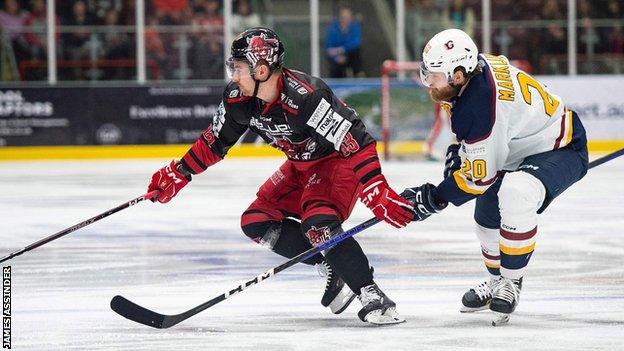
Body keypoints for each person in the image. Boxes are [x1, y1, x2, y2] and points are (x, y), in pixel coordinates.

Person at [146, 27, 414, 325]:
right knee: (256, 221)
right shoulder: (238, 99)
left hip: (336, 163)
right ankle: (331, 263)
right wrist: (179, 172)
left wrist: (376, 188)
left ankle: (372, 294)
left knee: (319, 224)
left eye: (239, 68)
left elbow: (356, 141)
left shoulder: (306, 97)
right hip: (299, 165)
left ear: (261, 69)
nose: (234, 76)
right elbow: (215, 141)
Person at [403, 29, 588, 325]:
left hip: (560, 146)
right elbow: (479, 141)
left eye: (434, 75)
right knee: (486, 216)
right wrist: (460, 152)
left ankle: (511, 282)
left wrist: (434, 198)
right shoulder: (470, 78)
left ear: (459, 75)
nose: (428, 82)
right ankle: (496, 280)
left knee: (515, 192)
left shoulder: (479, 103)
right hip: (517, 146)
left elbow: (480, 178)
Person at [324, 4, 362, 78]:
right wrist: (336, 57)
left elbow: (356, 42)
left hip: (350, 55)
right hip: (336, 57)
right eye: (344, 16)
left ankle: (358, 76)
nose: (346, 19)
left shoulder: (355, 27)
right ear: (340, 17)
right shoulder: (333, 28)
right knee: (335, 67)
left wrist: (342, 49)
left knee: (356, 53)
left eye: (348, 16)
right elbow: (329, 46)